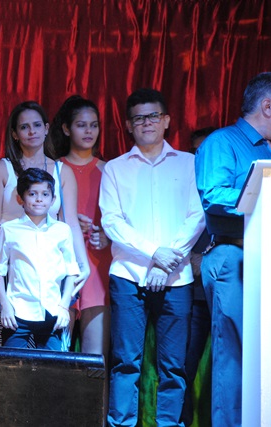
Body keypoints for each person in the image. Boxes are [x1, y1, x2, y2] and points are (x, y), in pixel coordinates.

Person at [99, 88, 205, 426]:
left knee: (173, 366)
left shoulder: (190, 163)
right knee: (125, 362)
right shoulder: (115, 168)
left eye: (153, 116)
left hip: (177, 278)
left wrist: (166, 262)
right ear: (129, 125)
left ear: (167, 121)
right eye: (139, 118)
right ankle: (121, 423)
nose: (147, 122)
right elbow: (111, 221)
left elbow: (197, 216)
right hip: (129, 276)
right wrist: (154, 254)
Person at [0, 100, 90, 347]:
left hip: (48, 264)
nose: (31, 131)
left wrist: (83, 264)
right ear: (15, 134)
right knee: (4, 338)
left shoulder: (62, 171)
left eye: (37, 125)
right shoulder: (2, 169)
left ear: (46, 129)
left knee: (50, 342)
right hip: (10, 261)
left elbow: (70, 222)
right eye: (24, 127)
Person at [195, 72, 271, 427]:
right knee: (234, 354)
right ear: (267, 106)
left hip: (263, 259)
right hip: (233, 256)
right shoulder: (222, 142)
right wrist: (263, 197)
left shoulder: (267, 150)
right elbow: (213, 195)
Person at [0, 168, 80, 349]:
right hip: (17, 311)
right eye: (32, 194)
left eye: (45, 194)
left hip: (52, 310)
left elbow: (71, 271)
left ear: (53, 199)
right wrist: (5, 305)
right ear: (20, 199)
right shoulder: (8, 229)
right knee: (12, 363)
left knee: (51, 364)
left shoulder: (62, 230)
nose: (39, 199)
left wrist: (64, 306)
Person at [50, 95, 112, 356]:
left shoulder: (109, 170)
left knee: (95, 356)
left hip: (98, 263)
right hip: (60, 262)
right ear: (66, 129)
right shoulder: (53, 168)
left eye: (94, 125)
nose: (89, 131)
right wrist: (67, 220)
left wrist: (107, 236)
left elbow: (124, 218)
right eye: (81, 125)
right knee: (56, 351)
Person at [181, 127, 215, 427]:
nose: (200, 158)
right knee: (182, 368)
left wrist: (208, 259)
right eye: (196, 152)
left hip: (229, 293)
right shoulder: (182, 187)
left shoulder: (233, 187)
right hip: (192, 296)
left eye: (207, 152)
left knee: (232, 367)